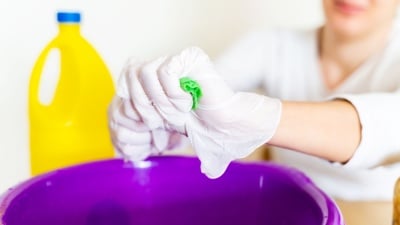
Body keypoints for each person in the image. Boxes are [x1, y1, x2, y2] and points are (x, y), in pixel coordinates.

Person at [108, 0, 400, 205]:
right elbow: (204, 91)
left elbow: (387, 128)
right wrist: (156, 115)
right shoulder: (274, 45)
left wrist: (255, 119)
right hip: (287, 207)